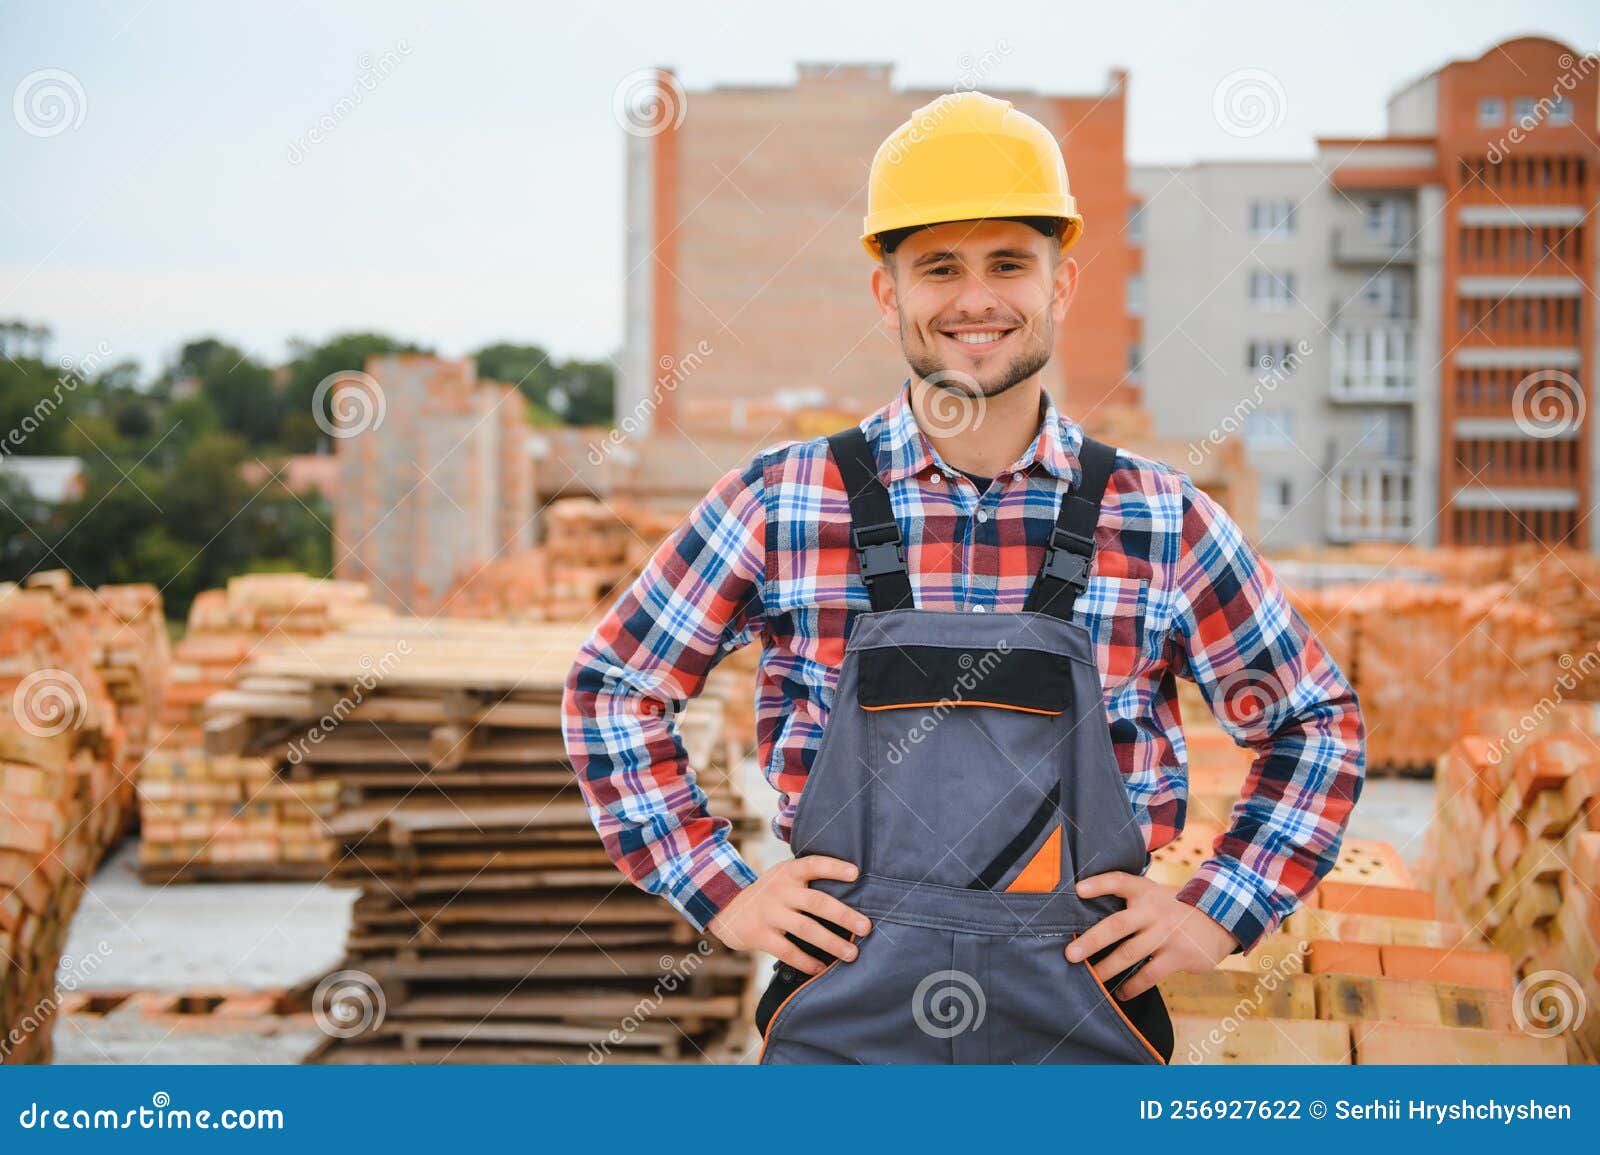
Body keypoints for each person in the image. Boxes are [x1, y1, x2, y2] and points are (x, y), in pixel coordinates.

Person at [562, 90, 1365, 1064]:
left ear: (1061, 285)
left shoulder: (1157, 518)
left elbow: (1313, 720)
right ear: (886, 292)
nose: (974, 299)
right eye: (938, 267)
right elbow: (613, 688)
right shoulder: (782, 502)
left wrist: (1218, 911)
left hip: (1083, 1026)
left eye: (1006, 265)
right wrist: (719, 890)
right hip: (844, 1023)